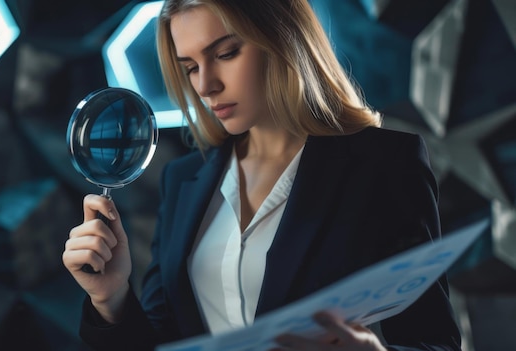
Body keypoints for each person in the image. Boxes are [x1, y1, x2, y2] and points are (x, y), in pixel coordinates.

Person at [62, 0, 462, 350]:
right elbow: (163, 343)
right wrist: (111, 298)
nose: (206, 84)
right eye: (190, 68)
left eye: (226, 53)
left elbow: (435, 341)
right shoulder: (182, 181)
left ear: (282, 37)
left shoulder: (384, 164)